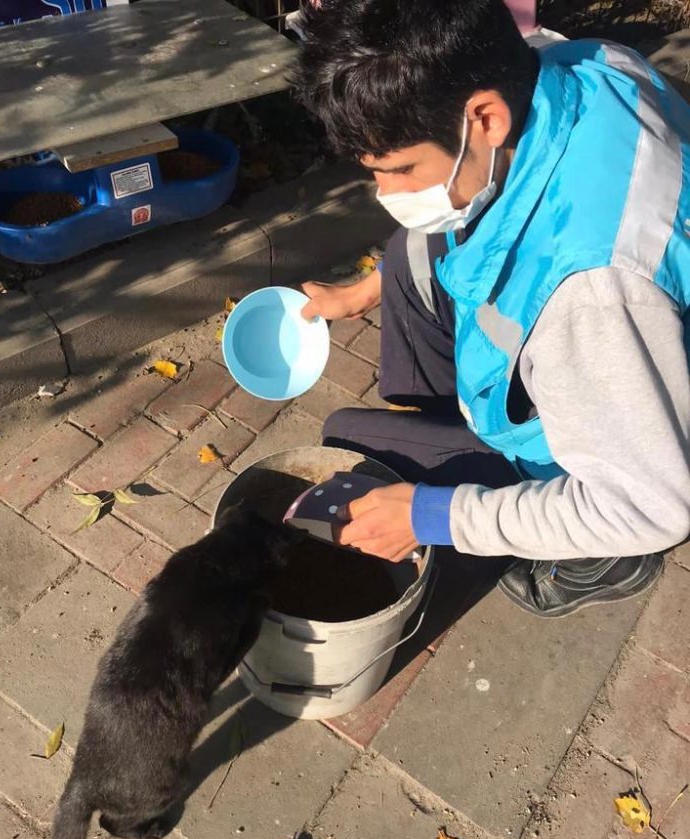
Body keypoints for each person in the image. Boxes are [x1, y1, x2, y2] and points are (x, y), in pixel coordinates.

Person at [291, 0, 690, 617]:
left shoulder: (590, 295)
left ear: (486, 117)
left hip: (623, 440)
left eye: (400, 169)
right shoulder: (588, 64)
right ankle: (457, 444)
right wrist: (364, 291)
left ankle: (603, 559)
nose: (387, 194)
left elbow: (653, 505)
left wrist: (435, 515)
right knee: (410, 252)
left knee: (346, 439)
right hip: (624, 349)